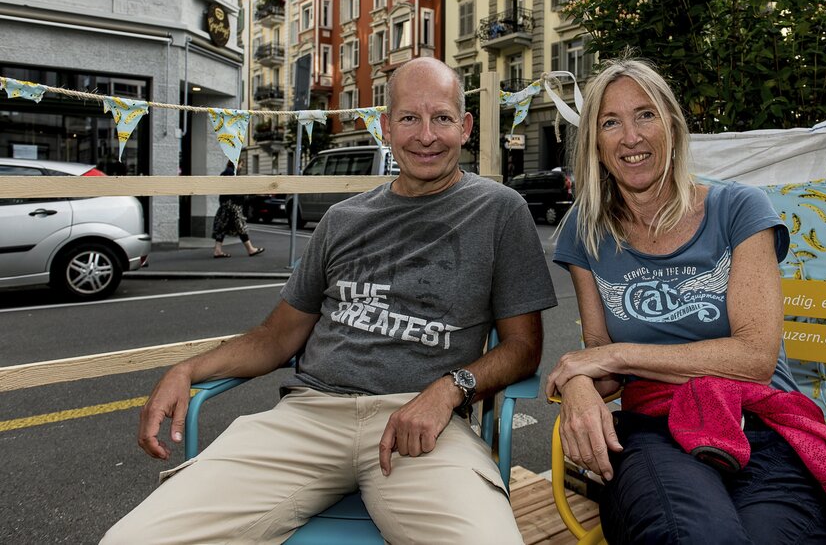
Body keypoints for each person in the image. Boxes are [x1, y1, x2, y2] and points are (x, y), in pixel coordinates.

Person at [103, 57, 557, 544]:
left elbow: (523, 347)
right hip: (308, 419)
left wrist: (450, 389)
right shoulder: (342, 219)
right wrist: (185, 370)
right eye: (409, 118)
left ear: (465, 127)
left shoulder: (499, 210)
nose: (426, 135)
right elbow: (276, 337)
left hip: (423, 426)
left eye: (442, 117)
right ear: (385, 127)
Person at [545, 58, 826, 544]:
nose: (631, 137)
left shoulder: (738, 209)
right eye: (610, 122)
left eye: (645, 115)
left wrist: (616, 355)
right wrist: (579, 383)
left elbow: (754, 358)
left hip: (762, 425)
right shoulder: (587, 234)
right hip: (655, 432)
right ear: (596, 147)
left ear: (672, 126)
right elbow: (598, 356)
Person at [211, 161, 264, 258]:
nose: (241, 167)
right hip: (233, 206)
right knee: (241, 227)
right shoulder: (231, 173)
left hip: (226, 206)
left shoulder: (226, 173)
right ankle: (250, 249)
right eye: (241, 165)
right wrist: (245, 196)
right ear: (236, 164)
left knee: (222, 228)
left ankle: (217, 250)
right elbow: (234, 191)